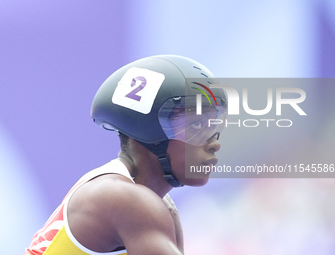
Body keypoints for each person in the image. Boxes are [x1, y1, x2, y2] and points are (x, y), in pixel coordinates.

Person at [24, 55, 227, 255]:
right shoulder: (126, 199)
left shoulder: (157, 204)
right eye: (197, 125)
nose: (214, 144)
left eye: (214, 127)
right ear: (152, 133)